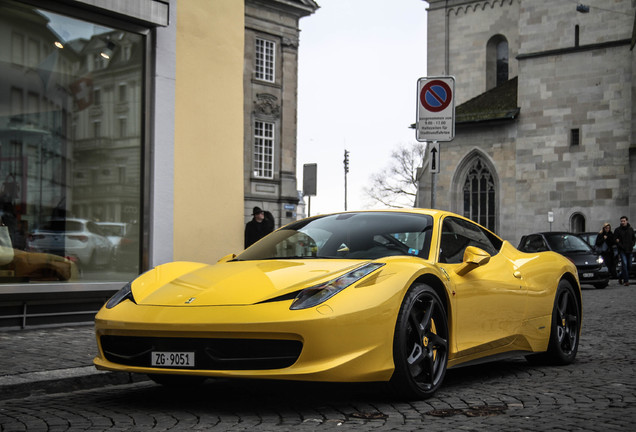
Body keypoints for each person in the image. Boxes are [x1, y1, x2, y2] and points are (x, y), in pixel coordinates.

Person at [614, 216, 635, 286]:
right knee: (624, 265)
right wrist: (620, 245)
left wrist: (632, 244)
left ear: (627, 221)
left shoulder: (630, 229)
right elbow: (616, 240)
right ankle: (626, 281)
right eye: (621, 221)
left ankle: (620, 276)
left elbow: (633, 239)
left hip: (629, 250)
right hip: (622, 250)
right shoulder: (618, 230)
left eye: (624, 221)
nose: (622, 222)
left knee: (629, 266)